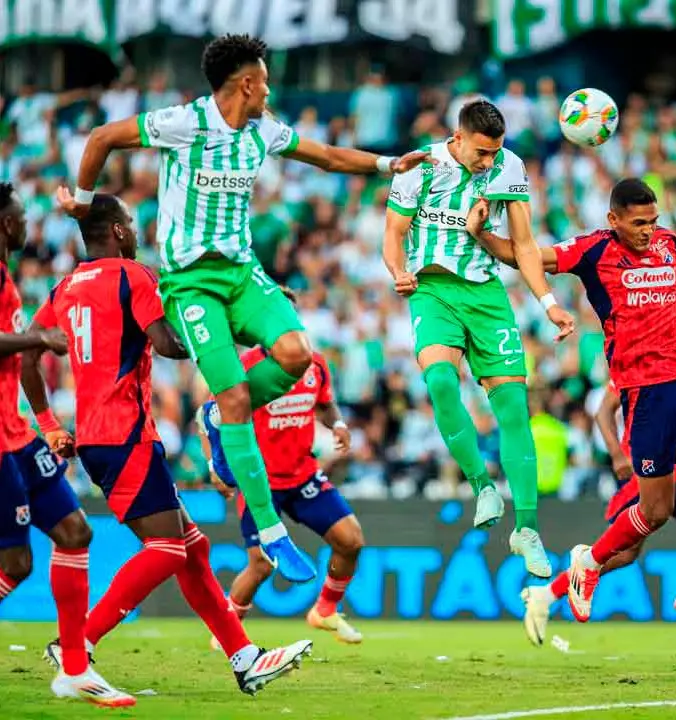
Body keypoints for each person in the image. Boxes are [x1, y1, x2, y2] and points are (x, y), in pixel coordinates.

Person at [56, 34, 430, 583]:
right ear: (248, 83)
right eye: (266, 79)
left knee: (297, 353)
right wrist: (82, 206)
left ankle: (219, 417)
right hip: (191, 282)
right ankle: (270, 531)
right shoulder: (186, 122)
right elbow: (103, 136)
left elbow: (325, 156)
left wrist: (389, 163)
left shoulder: (264, 130)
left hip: (243, 273)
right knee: (234, 395)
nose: (270, 89)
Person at [23, 194, 312, 695]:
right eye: (130, 225)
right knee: (168, 549)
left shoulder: (64, 287)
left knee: (193, 549)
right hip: (126, 434)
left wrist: (49, 422)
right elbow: (168, 343)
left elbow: (29, 353)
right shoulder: (135, 277)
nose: (135, 232)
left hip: (96, 437)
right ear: (116, 232)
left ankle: (244, 658)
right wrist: (236, 329)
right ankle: (79, 646)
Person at [467, 178, 676, 622]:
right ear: (613, 220)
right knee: (655, 511)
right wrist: (481, 234)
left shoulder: (669, 244)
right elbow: (526, 254)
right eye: (638, 223)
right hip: (647, 390)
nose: (648, 231)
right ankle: (589, 564)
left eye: (653, 221)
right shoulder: (593, 251)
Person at [383, 99, 576, 578]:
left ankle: (526, 529)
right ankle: (481, 485)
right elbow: (394, 231)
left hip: (487, 295)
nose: (488, 162)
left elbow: (526, 244)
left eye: (496, 152)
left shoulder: (509, 168)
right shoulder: (419, 167)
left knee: (514, 409)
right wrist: (397, 270)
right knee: (442, 384)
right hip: (432, 289)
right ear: (459, 136)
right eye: (482, 152)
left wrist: (549, 303)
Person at [521, 298, 676, 660]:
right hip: (649, 471)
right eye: (675, 311)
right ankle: (550, 591)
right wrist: (618, 455)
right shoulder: (641, 356)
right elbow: (604, 411)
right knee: (627, 552)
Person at [0, 183, 132, 706]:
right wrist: (38, 338)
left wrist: (44, 421)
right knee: (15, 566)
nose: (28, 223)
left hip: (18, 432)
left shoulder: (7, 277)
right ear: (6, 224)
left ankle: (74, 669)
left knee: (75, 532)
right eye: (21, 215)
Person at [202, 292, 364, 645]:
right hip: (260, 481)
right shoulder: (244, 368)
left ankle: (324, 611)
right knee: (260, 564)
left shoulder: (314, 363)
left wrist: (337, 425)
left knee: (351, 541)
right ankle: (228, 631)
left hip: (303, 474)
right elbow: (210, 416)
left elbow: (326, 403)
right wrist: (214, 465)